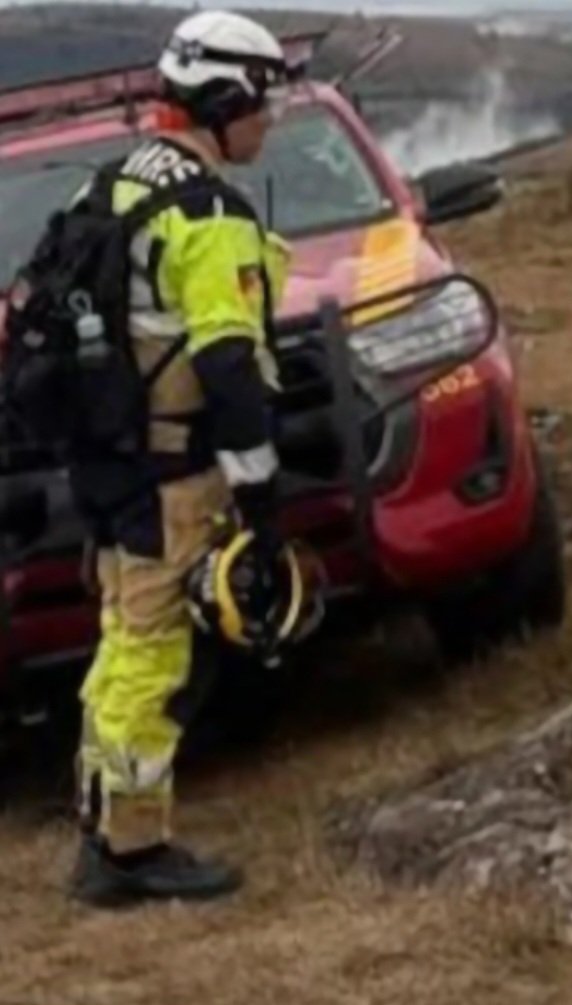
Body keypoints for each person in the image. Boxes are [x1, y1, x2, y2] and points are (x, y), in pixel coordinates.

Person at [67, 10, 299, 907]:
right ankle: (130, 851)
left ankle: (102, 823)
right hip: (173, 475)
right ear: (225, 100)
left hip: (113, 467)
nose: (268, 121)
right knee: (154, 659)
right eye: (263, 103)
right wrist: (261, 497)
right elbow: (229, 364)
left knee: (124, 642)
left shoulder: (116, 181)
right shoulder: (207, 213)